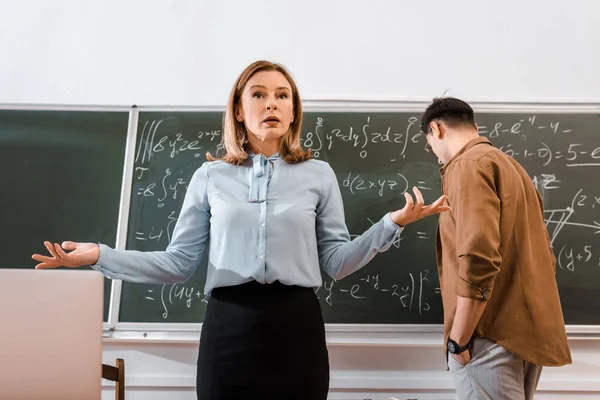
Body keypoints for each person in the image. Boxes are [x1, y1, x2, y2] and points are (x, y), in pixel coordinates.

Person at [31, 60, 449, 400]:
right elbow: (178, 263)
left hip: (297, 327)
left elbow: (337, 263)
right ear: (238, 109)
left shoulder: (318, 175)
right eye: (260, 95)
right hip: (228, 327)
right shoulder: (210, 177)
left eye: (282, 96)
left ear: (292, 110)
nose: (272, 103)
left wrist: (391, 224)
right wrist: (100, 255)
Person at [421, 97, 572, 400]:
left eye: (430, 144)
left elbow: (479, 258)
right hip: (523, 334)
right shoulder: (509, 166)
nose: (435, 155)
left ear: (436, 129)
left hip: (488, 335)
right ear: (475, 127)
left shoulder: (465, 166)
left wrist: (458, 341)